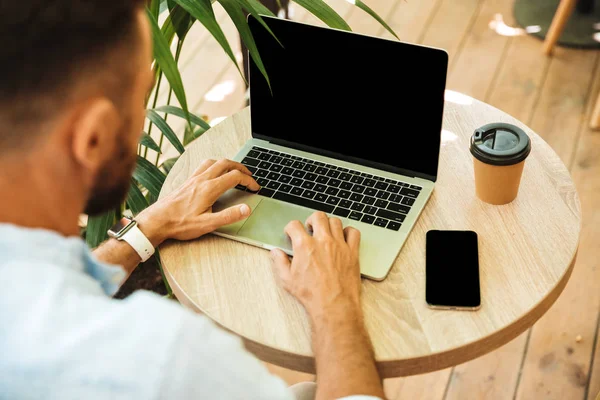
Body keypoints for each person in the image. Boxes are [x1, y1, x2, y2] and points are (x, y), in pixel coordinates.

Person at [0, 2, 385, 399]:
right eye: (141, 94)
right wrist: (335, 305)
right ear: (93, 137)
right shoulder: (164, 362)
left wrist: (144, 229)